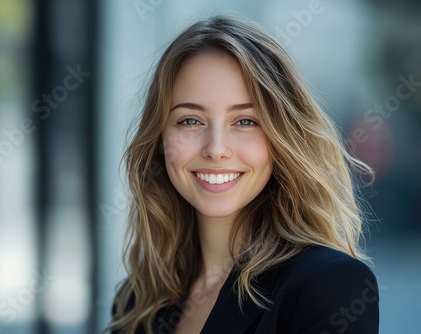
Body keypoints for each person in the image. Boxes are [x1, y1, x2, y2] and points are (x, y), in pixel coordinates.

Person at [108, 15, 379, 334]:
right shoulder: (137, 300)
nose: (216, 149)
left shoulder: (328, 287)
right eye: (190, 121)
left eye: (246, 121)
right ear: (159, 139)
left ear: (282, 138)